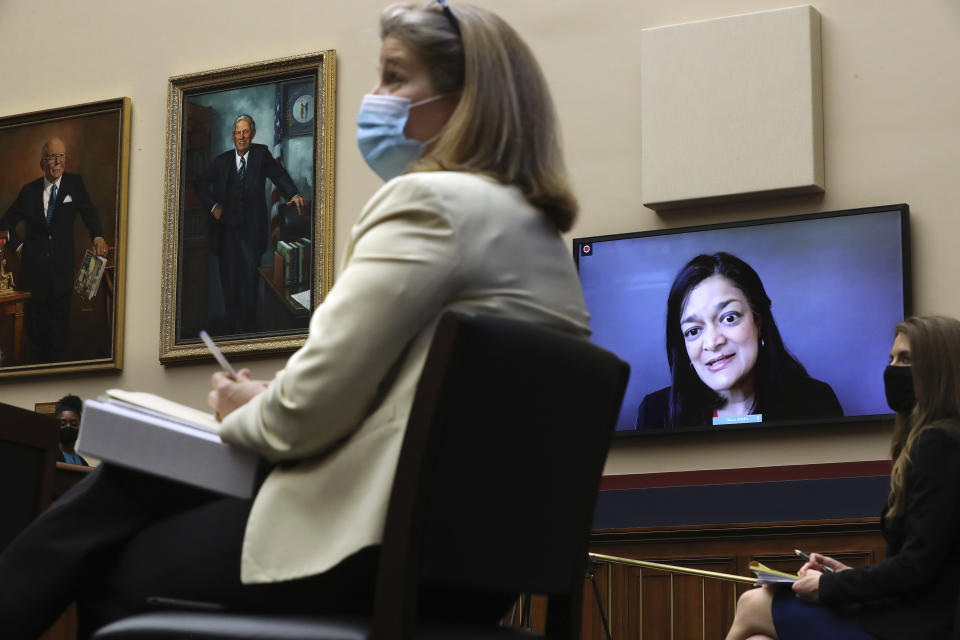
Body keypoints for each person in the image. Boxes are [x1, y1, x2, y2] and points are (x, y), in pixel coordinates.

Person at [0, 3, 590, 637]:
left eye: (394, 76)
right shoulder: (541, 243)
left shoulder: (431, 205)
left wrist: (244, 408)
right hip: (476, 572)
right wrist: (269, 397)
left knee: (118, 534)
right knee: (135, 487)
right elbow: (397, 401)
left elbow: (307, 414)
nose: (375, 97)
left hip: (368, 544)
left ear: (466, 99)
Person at [726, 315, 960, 640]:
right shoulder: (938, 440)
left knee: (752, 603)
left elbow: (916, 567)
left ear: (939, 370)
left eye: (905, 359)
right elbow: (922, 563)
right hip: (901, 611)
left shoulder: (939, 443)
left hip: (913, 626)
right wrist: (845, 575)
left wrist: (829, 586)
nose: (893, 368)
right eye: (891, 358)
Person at [636, 252, 843, 430]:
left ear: (758, 322)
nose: (712, 342)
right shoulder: (654, 413)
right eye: (693, 331)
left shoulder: (816, 403)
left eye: (729, 318)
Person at [193, 115, 307, 335]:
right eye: (238, 132)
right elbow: (200, 184)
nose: (241, 136)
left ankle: (249, 336)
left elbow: (279, 175)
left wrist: (294, 193)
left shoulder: (262, 155)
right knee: (230, 286)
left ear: (252, 133)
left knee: (249, 288)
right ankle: (232, 335)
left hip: (251, 235)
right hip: (226, 235)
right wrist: (213, 205)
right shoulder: (222, 161)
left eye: (246, 132)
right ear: (233, 135)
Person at [0, 137, 108, 363]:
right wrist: (18, 246)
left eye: (61, 156)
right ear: (42, 163)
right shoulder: (28, 192)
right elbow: (4, 223)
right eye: (52, 157)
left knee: (58, 336)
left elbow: (90, 213)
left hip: (61, 277)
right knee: (36, 337)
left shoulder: (74, 185)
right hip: (32, 278)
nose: (57, 162)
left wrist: (97, 236)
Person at [54, 394, 89, 466]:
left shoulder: (83, 463)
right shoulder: (50, 458)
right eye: (63, 423)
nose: (68, 426)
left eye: (73, 424)